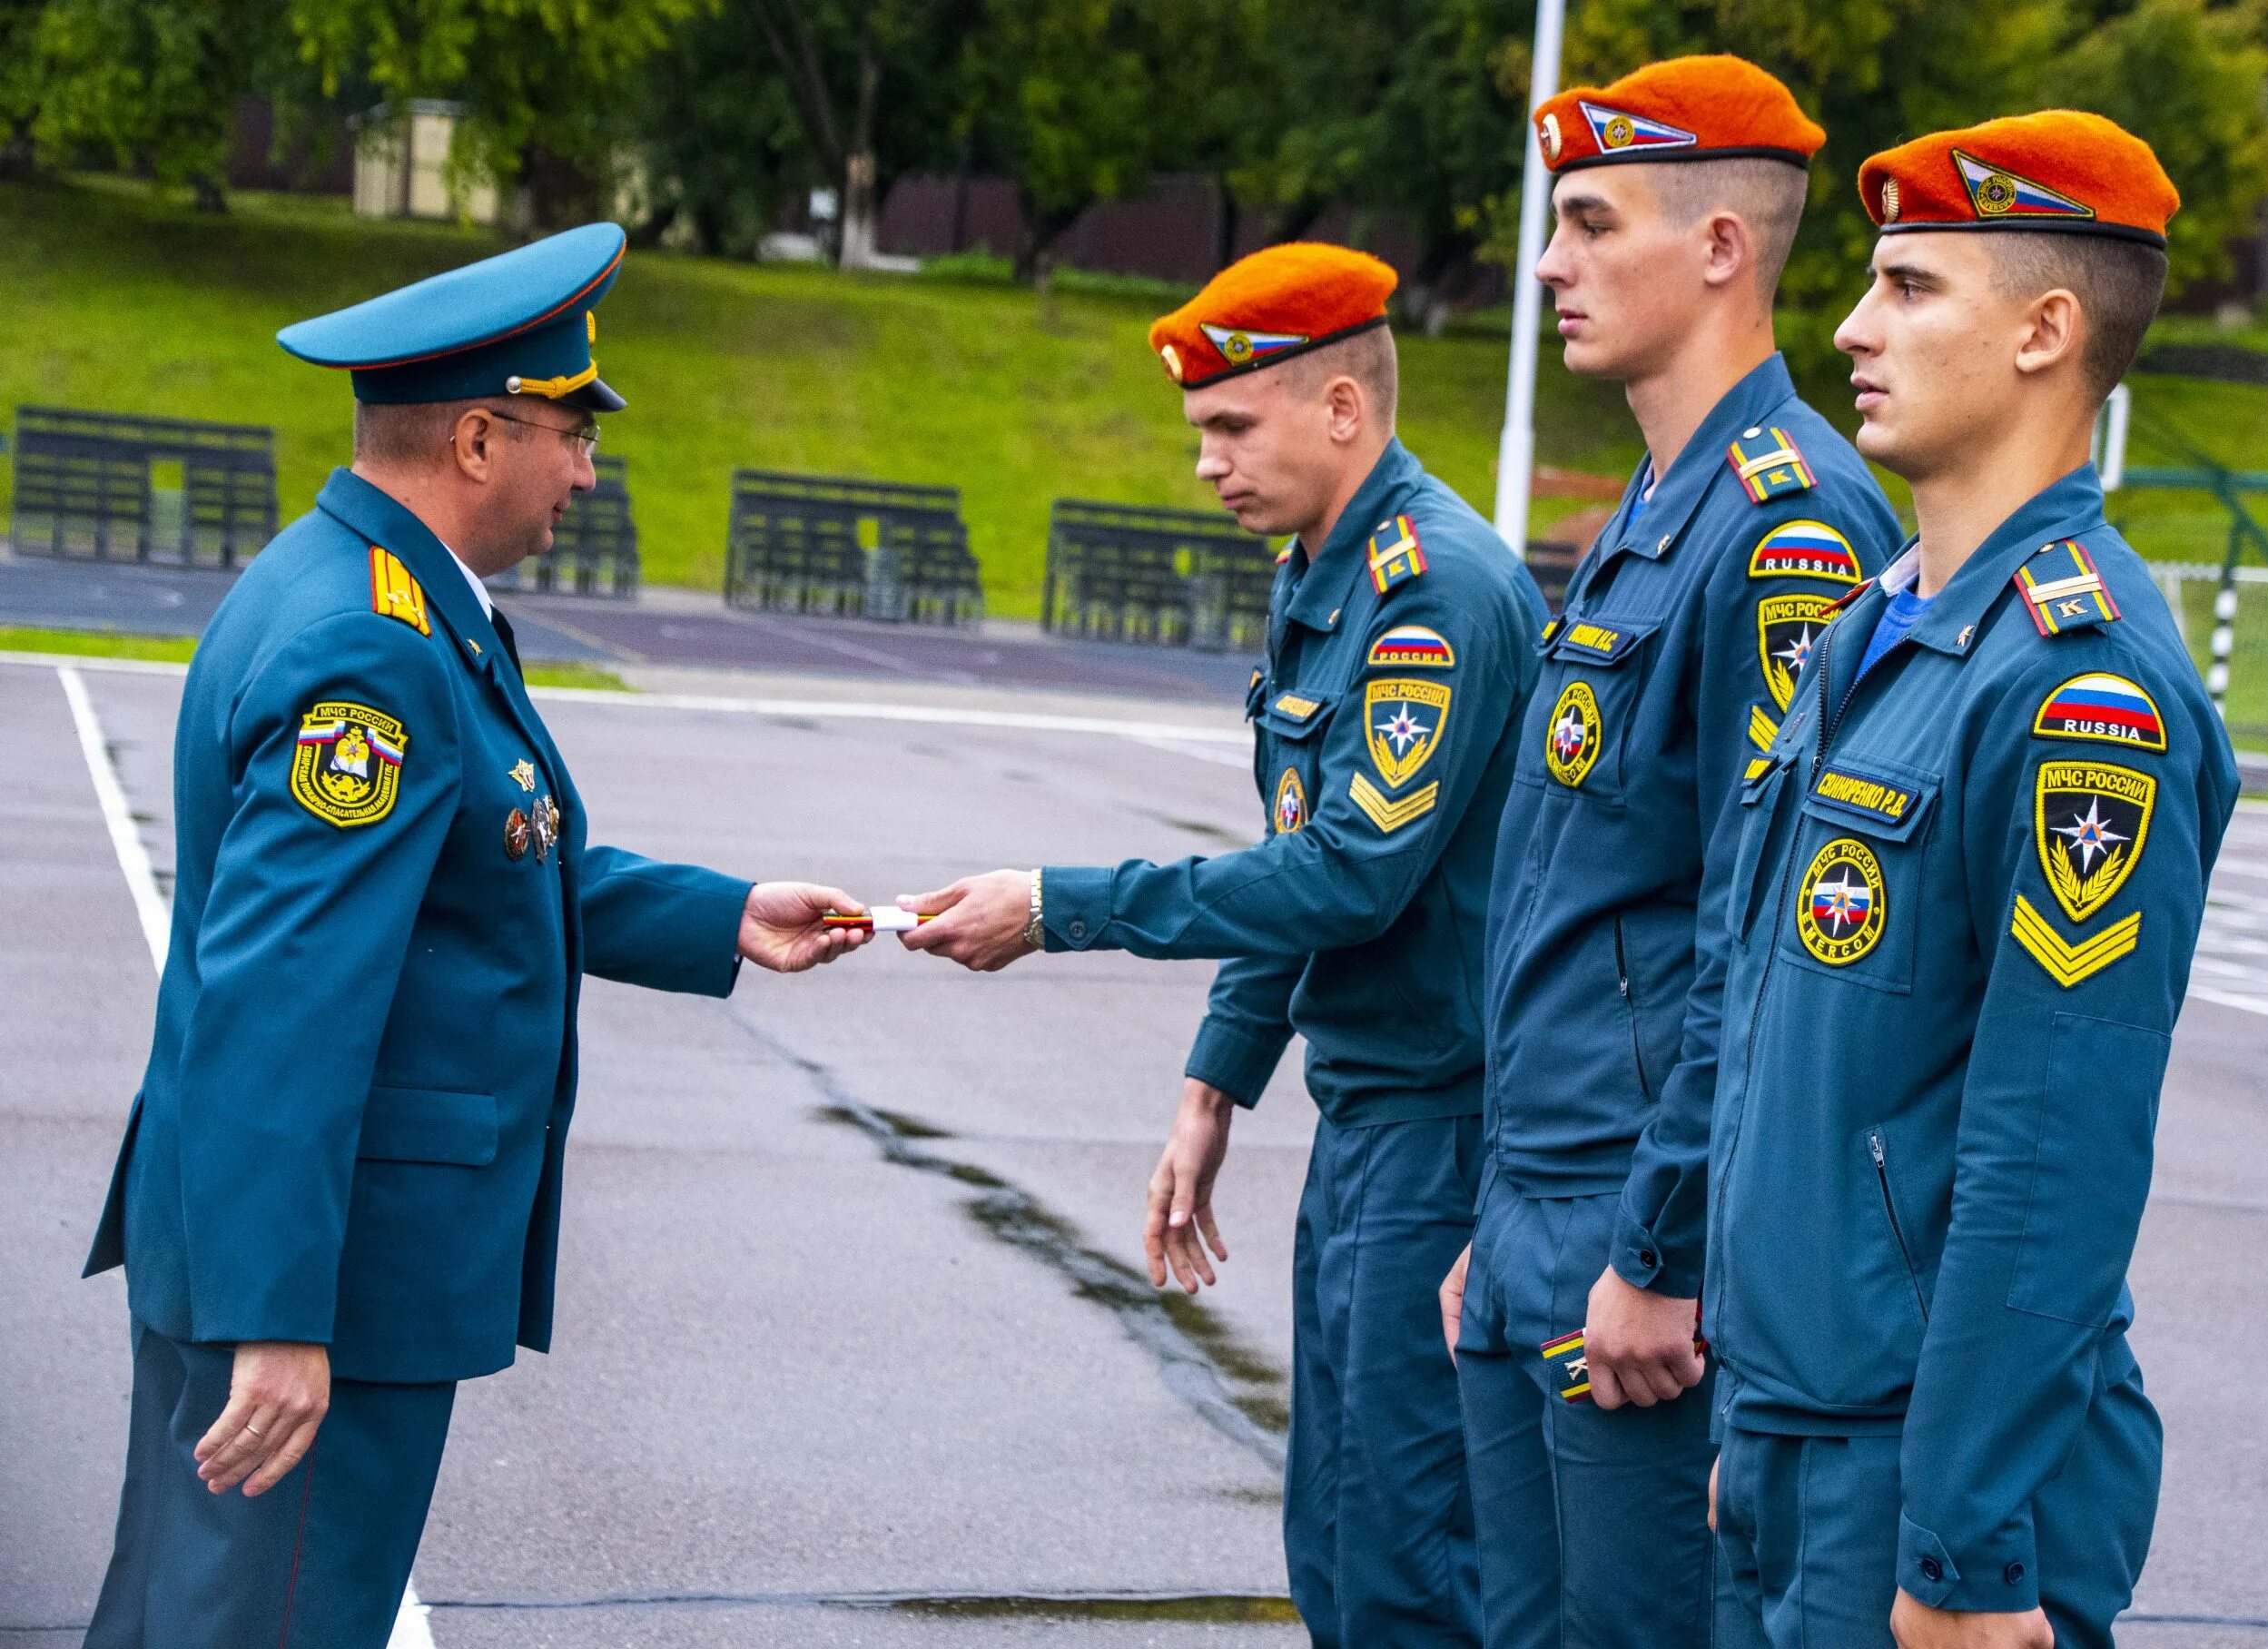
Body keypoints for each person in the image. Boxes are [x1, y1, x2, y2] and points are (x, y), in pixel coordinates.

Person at [80, 222, 869, 1647]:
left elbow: (480, 859)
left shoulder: (372, 593)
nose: (586, 470)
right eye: (573, 434)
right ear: (480, 436)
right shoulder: (369, 649)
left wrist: (721, 914)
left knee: (195, 1614)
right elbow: (287, 996)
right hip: (332, 1279)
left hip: (321, 1254)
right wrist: (283, 1318)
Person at [897, 242, 1544, 1646]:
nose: (1207, 464)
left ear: (1341, 411)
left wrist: (1060, 905)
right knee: (1336, 1535)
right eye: (1203, 433)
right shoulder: (1324, 570)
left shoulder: (1436, 589)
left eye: (1230, 428)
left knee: (1410, 1559)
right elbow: (1290, 851)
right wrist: (1213, 1089)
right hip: (1375, 1122)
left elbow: (1348, 877)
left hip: (1452, 1129)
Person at [1705, 112, 2237, 1649]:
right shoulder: (1881, 631)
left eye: (1912, 288)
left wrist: (1963, 1544)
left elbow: (2052, 1151)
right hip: (1804, 1428)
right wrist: (1760, 1414)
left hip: (1926, 1474)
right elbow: (1771, 1032)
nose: (1853, 327)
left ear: (2045, 332)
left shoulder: (2089, 690)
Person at [1437, 55, 1904, 1649]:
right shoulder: (1657, 505)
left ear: (1718, 245)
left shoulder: (1787, 526)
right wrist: (1499, 1219)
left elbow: (1758, 933)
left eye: (1587, 223)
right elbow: (1569, 907)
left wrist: (1660, 1244)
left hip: (1640, 1246)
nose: (1548, 265)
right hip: (1541, 1217)